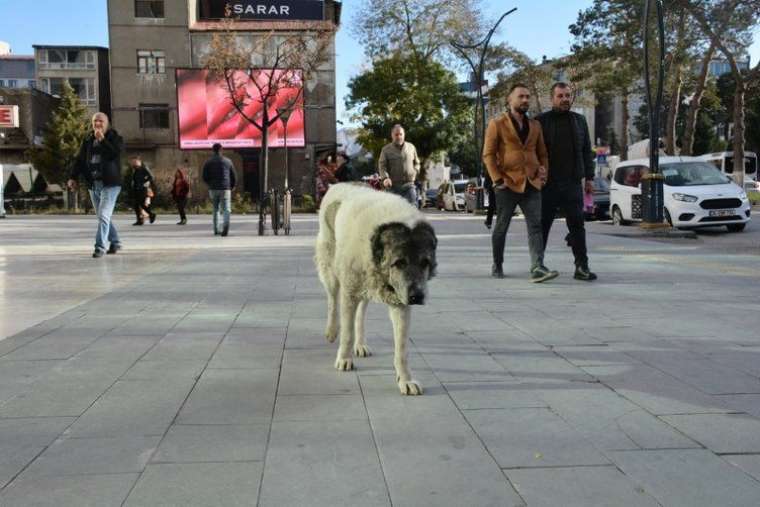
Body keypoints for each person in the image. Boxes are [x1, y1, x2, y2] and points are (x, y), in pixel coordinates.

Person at [482, 84, 558, 283]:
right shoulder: (496, 124)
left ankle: (537, 267)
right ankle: (497, 264)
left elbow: (542, 154)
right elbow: (488, 155)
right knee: (501, 227)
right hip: (507, 183)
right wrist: (497, 180)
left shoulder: (535, 125)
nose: (525, 100)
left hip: (532, 183)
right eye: (521, 97)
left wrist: (544, 172)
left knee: (535, 226)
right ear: (510, 100)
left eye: (527, 96)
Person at [536, 82, 597, 281]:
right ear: (552, 98)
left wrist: (589, 178)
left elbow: (587, 150)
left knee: (577, 226)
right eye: (560, 95)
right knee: (542, 226)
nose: (564, 99)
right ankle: (538, 265)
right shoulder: (540, 121)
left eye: (567, 95)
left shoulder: (579, 121)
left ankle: (582, 267)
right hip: (548, 185)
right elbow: (531, 152)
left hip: (572, 183)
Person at [67, 112, 124, 258]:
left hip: (110, 184)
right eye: (95, 121)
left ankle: (100, 247)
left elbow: (114, 154)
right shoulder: (87, 140)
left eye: (101, 121)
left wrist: (103, 140)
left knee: (104, 215)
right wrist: (73, 177)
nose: (97, 124)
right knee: (102, 216)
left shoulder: (115, 138)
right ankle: (116, 242)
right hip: (94, 184)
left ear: (107, 123)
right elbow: (79, 160)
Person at [378, 124, 421, 205]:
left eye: (401, 134)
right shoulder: (385, 150)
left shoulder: (411, 147)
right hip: (393, 187)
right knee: (394, 213)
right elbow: (382, 166)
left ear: (404, 134)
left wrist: (415, 171)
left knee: (412, 209)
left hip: (409, 185)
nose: (399, 137)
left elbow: (417, 163)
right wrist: (385, 178)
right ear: (392, 135)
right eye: (396, 134)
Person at [202, 143, 236, 236]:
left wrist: (210, 184)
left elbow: (204, 176)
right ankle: (226, 226)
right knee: (226, 209)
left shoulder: (208, 162)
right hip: (225, 188)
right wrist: (232, 186)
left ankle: (216, 229)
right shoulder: (228, 161)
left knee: (215, 209)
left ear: (213, 150)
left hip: (213, 188)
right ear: (221, 150)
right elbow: (233, 176)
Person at [129, 155, 156, 225]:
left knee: (141, 204)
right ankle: (140, 220)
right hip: (136, 189)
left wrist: (145, 183)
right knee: (136, 205)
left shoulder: (143, 169)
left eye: (135, 162)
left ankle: (151, 215)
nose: (133, 163)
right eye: (132, 162)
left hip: (142, 189)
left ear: (139, 162)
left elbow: (151, 177)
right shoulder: (135, 170)